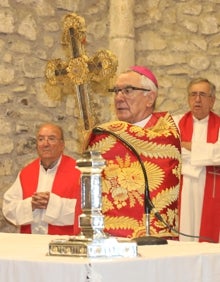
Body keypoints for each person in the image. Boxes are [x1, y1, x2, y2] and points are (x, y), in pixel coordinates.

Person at [85, 66, 181, 239]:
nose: (119, 98)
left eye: (128, 91)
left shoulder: (164, 135)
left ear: (150, 98)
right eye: (116, 91)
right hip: (107, 237)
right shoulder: (106, 137)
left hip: (150, 239)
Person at [2, 123, 81, 235]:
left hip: (64, 244)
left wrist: (52, 203)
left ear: (62, 145)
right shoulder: (26, 173)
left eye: (51, 139)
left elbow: (86, 210)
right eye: (41, 139)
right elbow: (9, 208)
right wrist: (31, 204)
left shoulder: (79, 172)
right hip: (31, 244)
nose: (45, 144)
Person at [173, 77, 220, 243]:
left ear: (212, 100)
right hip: (183, 187)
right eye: (193, 94)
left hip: (212, 187)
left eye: (202, 94)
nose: (197, 99)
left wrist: (188, 146)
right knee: (184, 231)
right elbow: (174, 152)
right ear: (188, 99)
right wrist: (207, 153)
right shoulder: (175, 123)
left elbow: (219, 154)